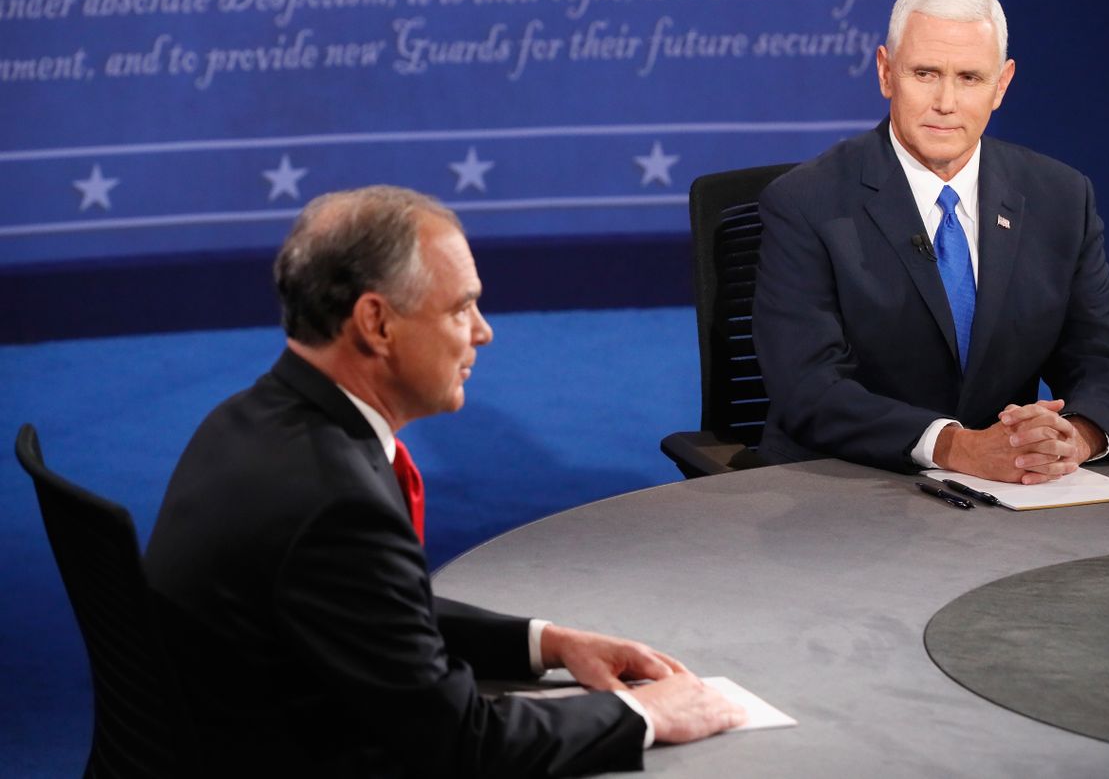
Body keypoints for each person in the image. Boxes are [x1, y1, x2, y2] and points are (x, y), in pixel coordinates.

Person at [144, 185, 744, 776]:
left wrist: (547, 643)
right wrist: (641, 713)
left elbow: (375, 607)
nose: (482, 332)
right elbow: (460, 747)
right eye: (461, 307)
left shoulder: (246, 420)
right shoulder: (336, 501)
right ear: (376, 322)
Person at [752, 0, 1109, 485]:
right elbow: (808, 387)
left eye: (970, 78)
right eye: (925, 73)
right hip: (843, 482)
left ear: (1001, 85)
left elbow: (1106, 364)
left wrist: (1075, 437)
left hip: (1006, 490)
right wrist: (955, 446)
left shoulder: (1061, 198)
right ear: (886, 73)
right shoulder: (807, 202)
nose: (946, 102)